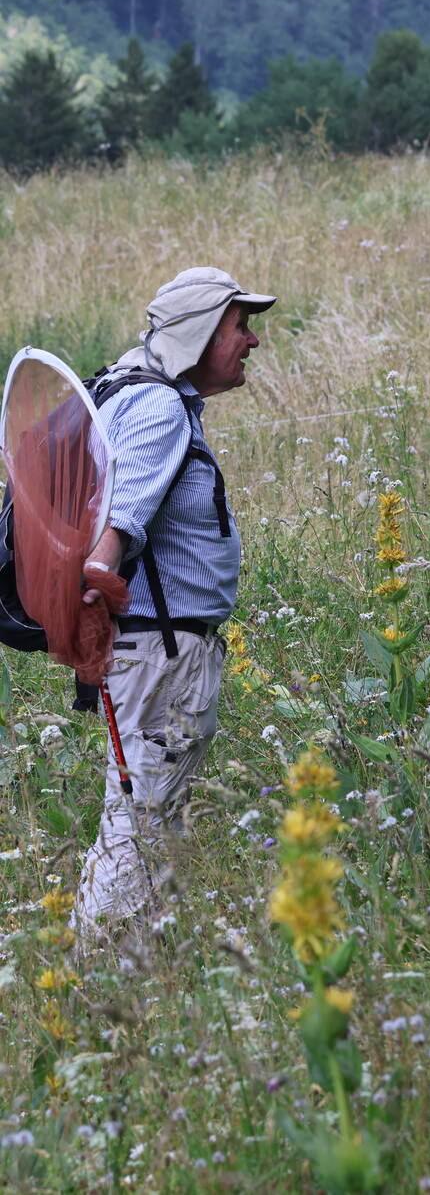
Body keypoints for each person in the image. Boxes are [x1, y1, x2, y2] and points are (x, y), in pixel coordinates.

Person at [73, 266, 276, 939]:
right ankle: (92, 982)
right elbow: (123, 518)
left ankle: (136, 986)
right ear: (198, 333)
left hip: (150, 651)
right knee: (138, 829)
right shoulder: (158, 406)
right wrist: (100, 572)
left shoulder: (126, 390)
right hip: (162, 656)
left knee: (145, 824)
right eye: (239, 326)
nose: (250, 341)